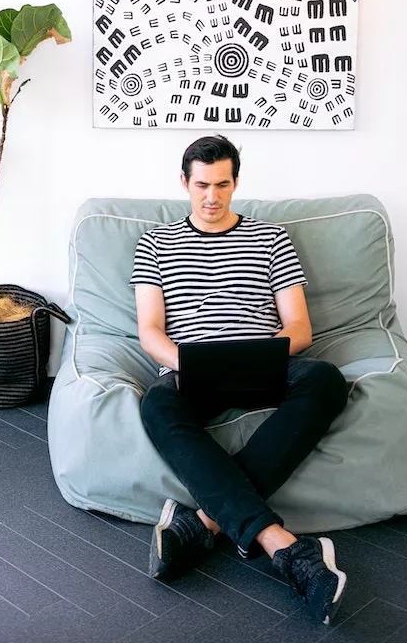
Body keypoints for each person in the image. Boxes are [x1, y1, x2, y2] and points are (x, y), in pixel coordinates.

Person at [130, 134, 350, 626]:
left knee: (327, 380)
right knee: (156, 405)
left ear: (235, 183)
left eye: (222, 184)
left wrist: (260, 352)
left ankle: (204, 523)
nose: (212, 196)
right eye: (202, 185)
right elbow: (150, 333)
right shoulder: (155, 242)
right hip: (192, 368)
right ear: (184, 183)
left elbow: (299, 328)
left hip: (261, 363)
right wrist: (191, 364)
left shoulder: (271, 237)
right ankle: (286, 549)